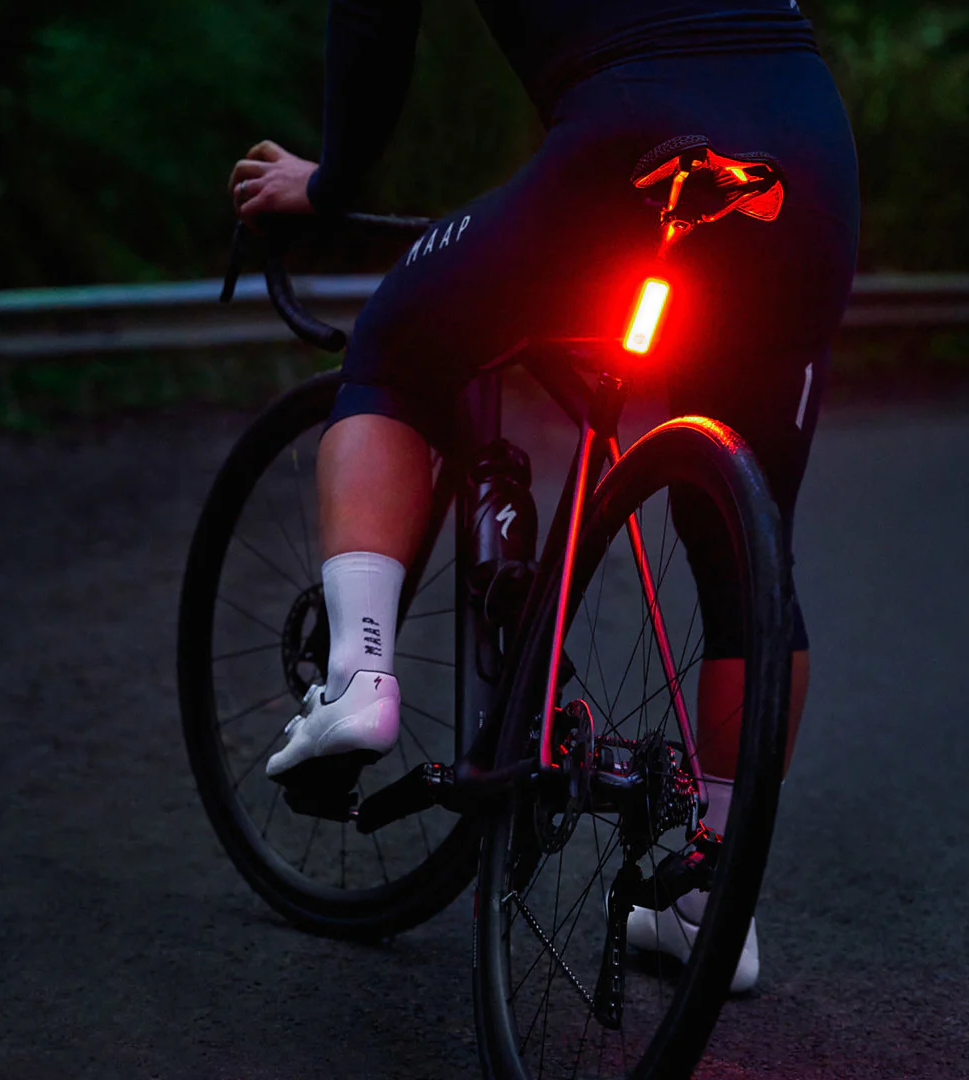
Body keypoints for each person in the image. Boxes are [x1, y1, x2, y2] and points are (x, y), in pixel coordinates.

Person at [228, 0, 859, 993]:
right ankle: (714, 904)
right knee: (750, 552)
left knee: (396, 344)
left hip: (631, 136)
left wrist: (335, 180)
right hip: (806, 160)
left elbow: (374, 16)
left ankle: (357, 681)